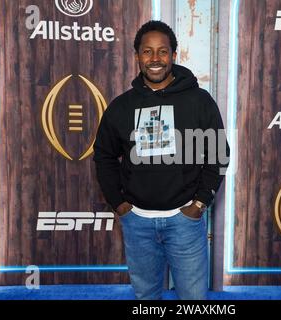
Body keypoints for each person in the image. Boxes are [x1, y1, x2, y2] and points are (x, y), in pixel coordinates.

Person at [93, 20, 229, 300]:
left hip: (185, 223)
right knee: (146, 299)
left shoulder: (199, 101)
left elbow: (217, 153)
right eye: (147, 51)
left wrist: (200, 204)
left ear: (174, 56)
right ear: (137, 56)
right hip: (137, 223)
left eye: (162, 51)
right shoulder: (121, 106)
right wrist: (119, 204)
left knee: (193, 300)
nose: (155, 59)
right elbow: (104, 156)